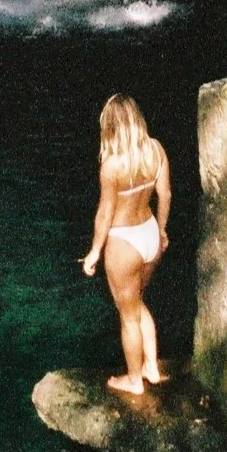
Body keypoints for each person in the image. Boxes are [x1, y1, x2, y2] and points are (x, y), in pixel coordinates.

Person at [81, 94, 171, 394]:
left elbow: (105, 214)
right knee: (138, 301)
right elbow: (166, 194)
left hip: (125, 242)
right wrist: (162, 231)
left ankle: (134, 381)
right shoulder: (155, 149)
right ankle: (151, 367)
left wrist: (94, 251)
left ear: (110, 126)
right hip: (149, 234)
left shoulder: (112, 166)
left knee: (128, 315)